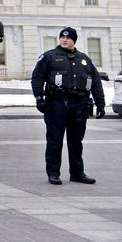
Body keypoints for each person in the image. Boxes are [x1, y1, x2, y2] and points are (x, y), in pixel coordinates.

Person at [31, 27, 106, 185]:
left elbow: (96, 82)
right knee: (55, 140)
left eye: (68, 38)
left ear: (74, 40)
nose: (64, 40)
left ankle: (77, 173)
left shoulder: (84, 59)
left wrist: (100, 103)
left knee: (76, 142)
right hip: (56, 104)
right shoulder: (49, 57)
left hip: (79, 105)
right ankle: (53, 173)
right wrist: (39, 98)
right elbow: (37, 77)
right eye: (62, 38)